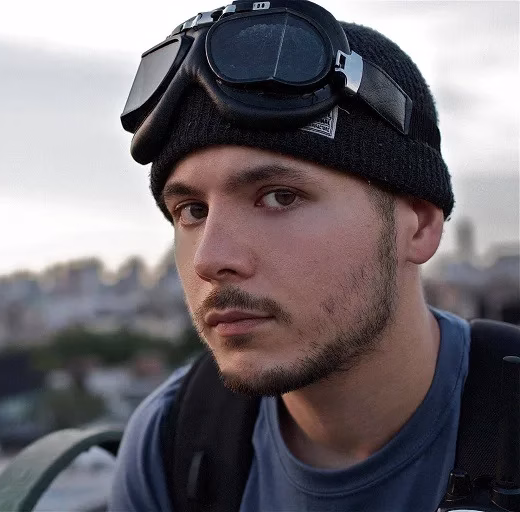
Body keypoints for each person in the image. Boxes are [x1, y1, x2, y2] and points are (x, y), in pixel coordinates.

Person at [108, 1, 514, 510]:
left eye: (280, 197)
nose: (210, 260)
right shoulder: (171, 441)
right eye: (192, 211)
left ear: (420, 225)